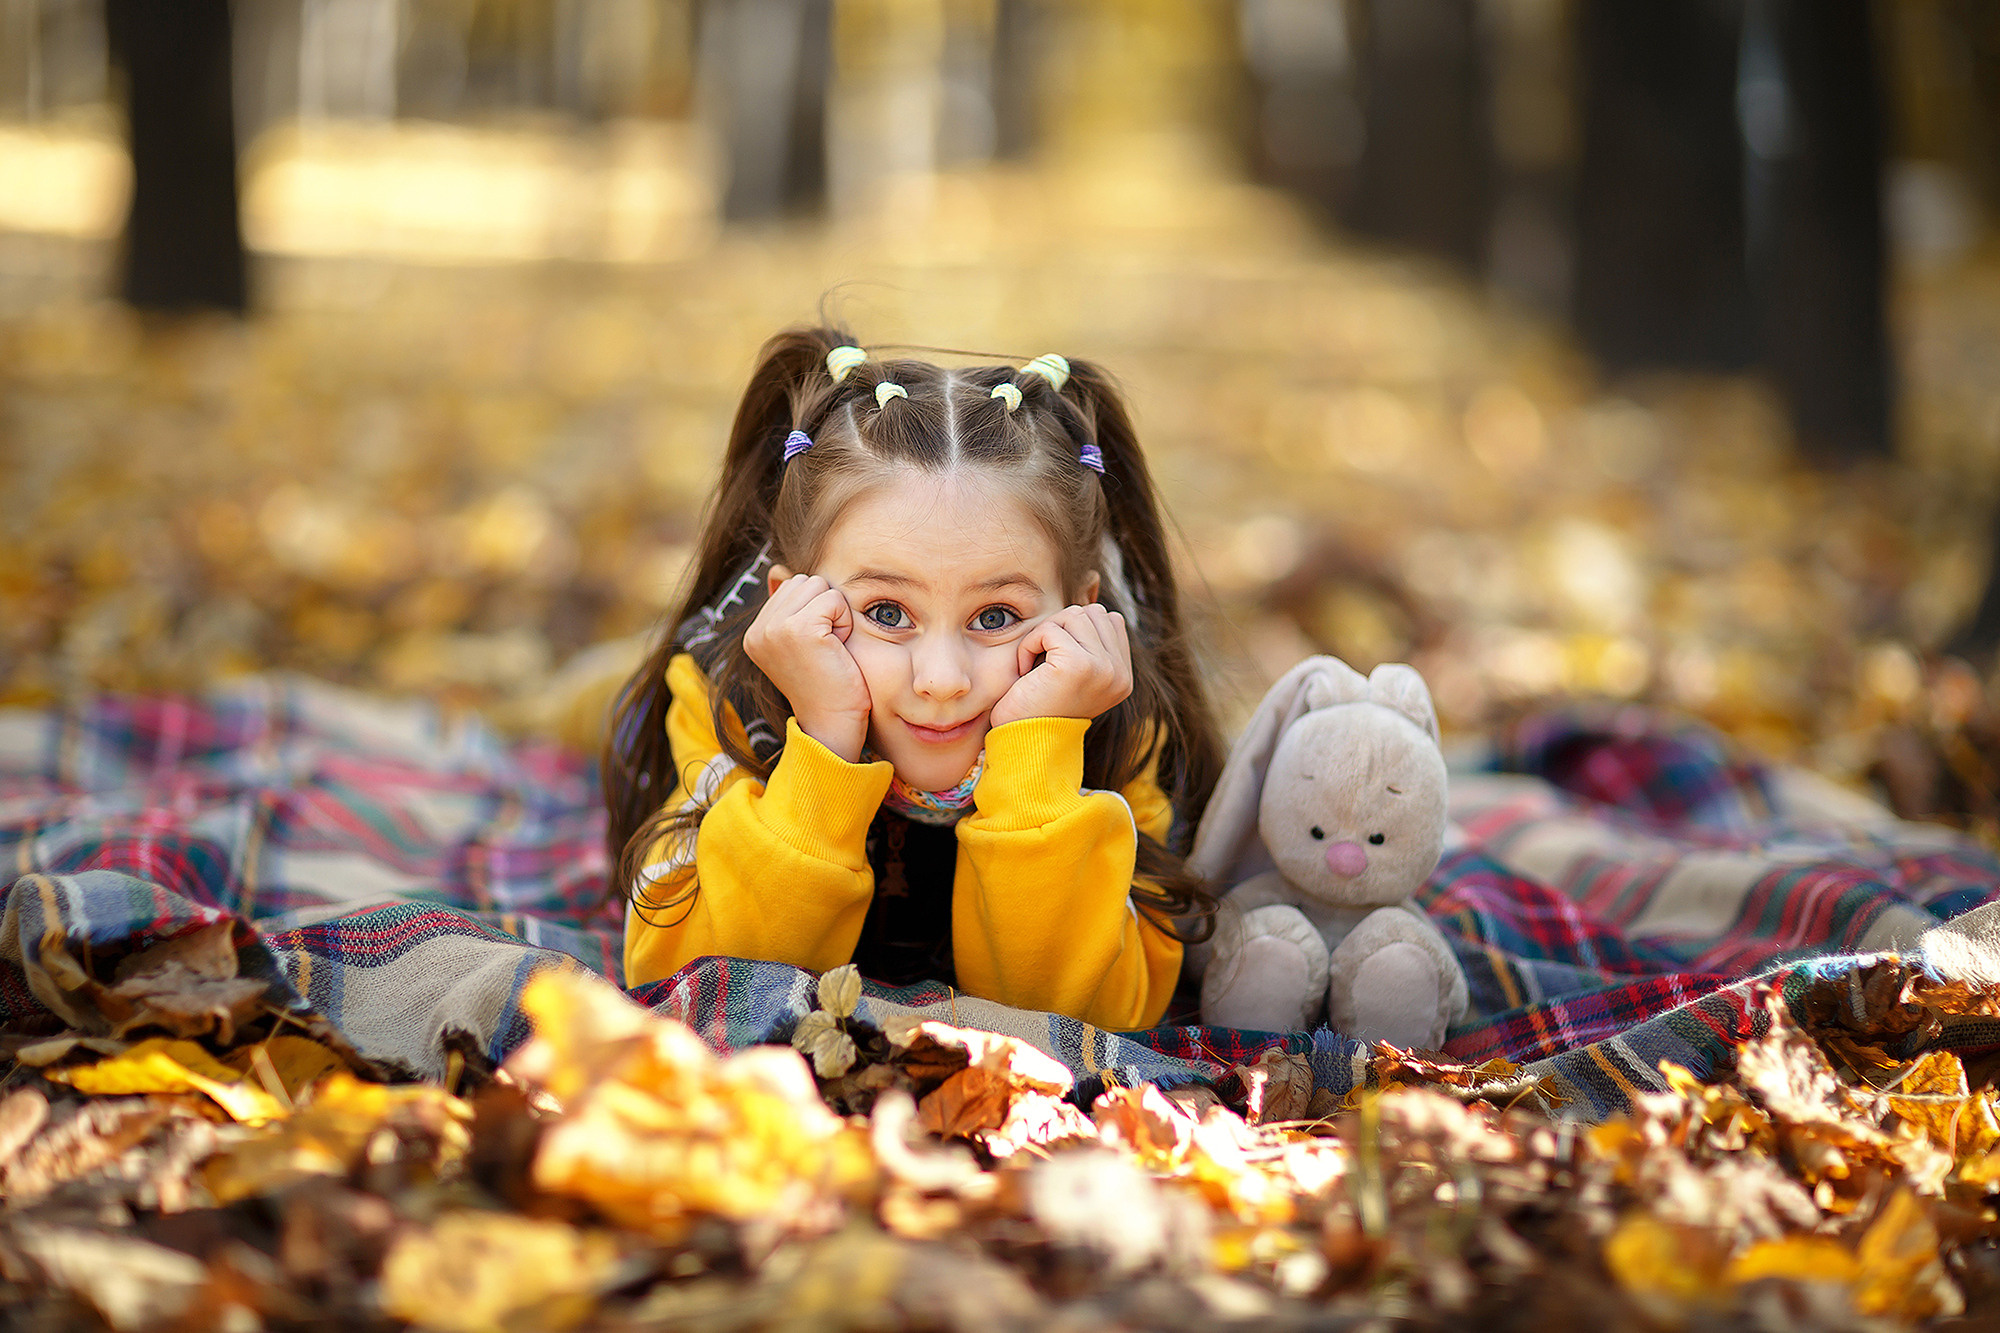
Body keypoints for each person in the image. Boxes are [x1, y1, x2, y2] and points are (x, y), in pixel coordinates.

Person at [604, 326, 1224, 1029]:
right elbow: (693, 990)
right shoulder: (730, 700)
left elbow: (1094, 1016)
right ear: (791, 603)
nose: (942, 679)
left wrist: (1036, 762)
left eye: (995, 616)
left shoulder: (1114, 719)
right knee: (600, 709)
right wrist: (825, 749)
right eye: (887, 612)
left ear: (1078, 610)